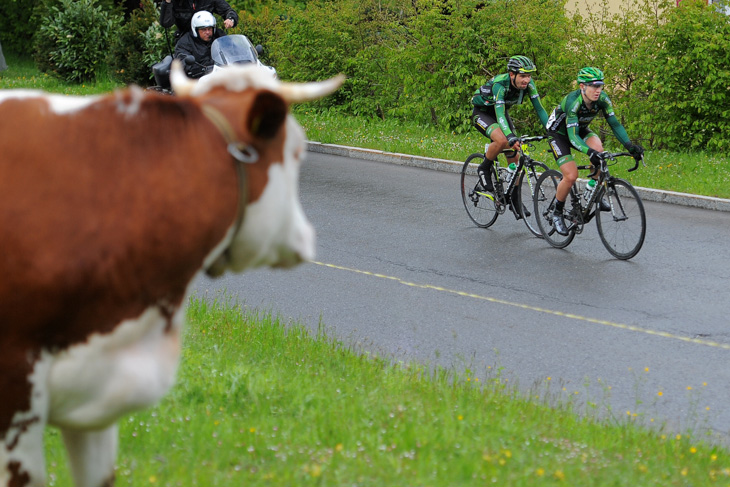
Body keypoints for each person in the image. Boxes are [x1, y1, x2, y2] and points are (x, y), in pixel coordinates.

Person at [545, 67, 644, 235]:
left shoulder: (603, 99)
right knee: (571, 176)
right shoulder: (573, 102)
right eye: (593, 86)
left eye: (600, 86)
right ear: (582, 86)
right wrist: (589, 152)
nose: (598, 90)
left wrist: (630, 146)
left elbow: (615, 124)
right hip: (559, 134)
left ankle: (591, 190)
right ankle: (557, 212)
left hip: (579, 129)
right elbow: (573, 137)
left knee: (600, 150)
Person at [471, 55, 549, 217]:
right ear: (512, 75)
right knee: (502, 140)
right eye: (523, 76)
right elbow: (499, 115)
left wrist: (553, 131)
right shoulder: (500, 85)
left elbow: (540, 110)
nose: (526, 80)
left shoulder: (529, 85)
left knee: (515, 155)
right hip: (483, 113)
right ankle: (484, 167)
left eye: (529, 76)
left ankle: (514, 199)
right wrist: (510, 136)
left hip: (501, 113)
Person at [174, 11, 226, 78]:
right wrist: (202, 68)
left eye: (210, 29)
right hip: (197, 80)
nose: (207, 32)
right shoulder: (185, 42)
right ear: (196, 30)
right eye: (203, 29)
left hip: (220, 76)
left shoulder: (219, 36)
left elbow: (231, 50)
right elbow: (183, 62)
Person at [160, 0, 238, 42]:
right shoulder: (175, 2)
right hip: (186, 43)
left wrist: (230, 19)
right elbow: (166, 23)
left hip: (210, 40)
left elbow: (227, 10)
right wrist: (167, 2)